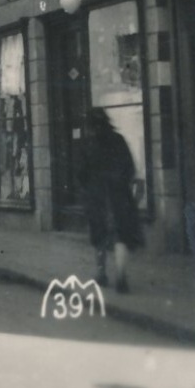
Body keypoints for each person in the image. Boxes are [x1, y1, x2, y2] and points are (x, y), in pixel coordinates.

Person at [79, 106, 144, 292]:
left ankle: (101, 273)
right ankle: (121, 276)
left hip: (97, 196)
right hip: (119, 194)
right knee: (120, 235)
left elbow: (81, 173)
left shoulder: (88, 144)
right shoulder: (118, 140)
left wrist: (87, 190)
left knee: (99, 234)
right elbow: (130, 168)